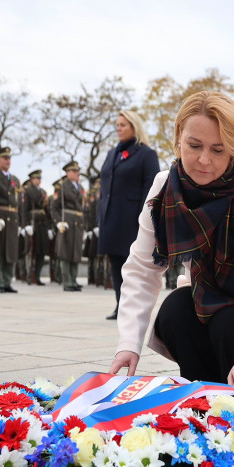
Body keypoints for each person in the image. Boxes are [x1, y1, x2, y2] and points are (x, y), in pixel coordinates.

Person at [108, 91, 234, 394]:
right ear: (179, 136)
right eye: (194, 146)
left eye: (218, 150)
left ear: (233, 149)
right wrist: (128, 343)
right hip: (208, 288)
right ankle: (200, 394)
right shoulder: (164, 187)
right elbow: (141, 269)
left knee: (230, 321)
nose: (204, 160)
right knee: (176, 311)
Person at [97, 110, 160, 320]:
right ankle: (120, 305)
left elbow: (151, 189)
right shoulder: (112, 153)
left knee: (134, 265)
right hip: (111, 218)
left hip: (132, 220)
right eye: (117, 125)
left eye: (123, 124)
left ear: (134, 126)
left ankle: (135, 309)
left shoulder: (145, 154)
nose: (119, 128)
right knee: (116, 263)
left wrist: (145, 219)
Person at [0, 146, 23, 293]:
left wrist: (22, 222)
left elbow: (20, 202)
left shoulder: (15, 179)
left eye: (9, 158)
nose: (8, 161)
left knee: (11, 251)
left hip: (13, 218)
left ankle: (7, 281)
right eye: (5, 158)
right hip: (0, 216)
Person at [50, 161, 86, 291]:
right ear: (68, 173)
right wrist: (58, 221)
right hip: (67, 222)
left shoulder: (80, 187)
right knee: (66, 253)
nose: (77, 174)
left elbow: (83, 208)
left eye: (78, 171)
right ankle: (67, 282)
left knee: (76, 252)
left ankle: (73, 279)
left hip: (78, 222)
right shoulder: (62, 186)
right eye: (74, 171)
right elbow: (54, 207)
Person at [22, 169, 50, 285]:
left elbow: (47, 211)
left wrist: (50, 226)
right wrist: (25, 224)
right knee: (30, 251)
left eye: (40, 178)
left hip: (42, 224)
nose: (39, 180)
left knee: (41, 252)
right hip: (33, 223)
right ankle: (29, 275)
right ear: (31, 179)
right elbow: (24, 209)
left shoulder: (43, 192)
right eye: (37, 178)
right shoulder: (27, 191)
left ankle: (37, 276)